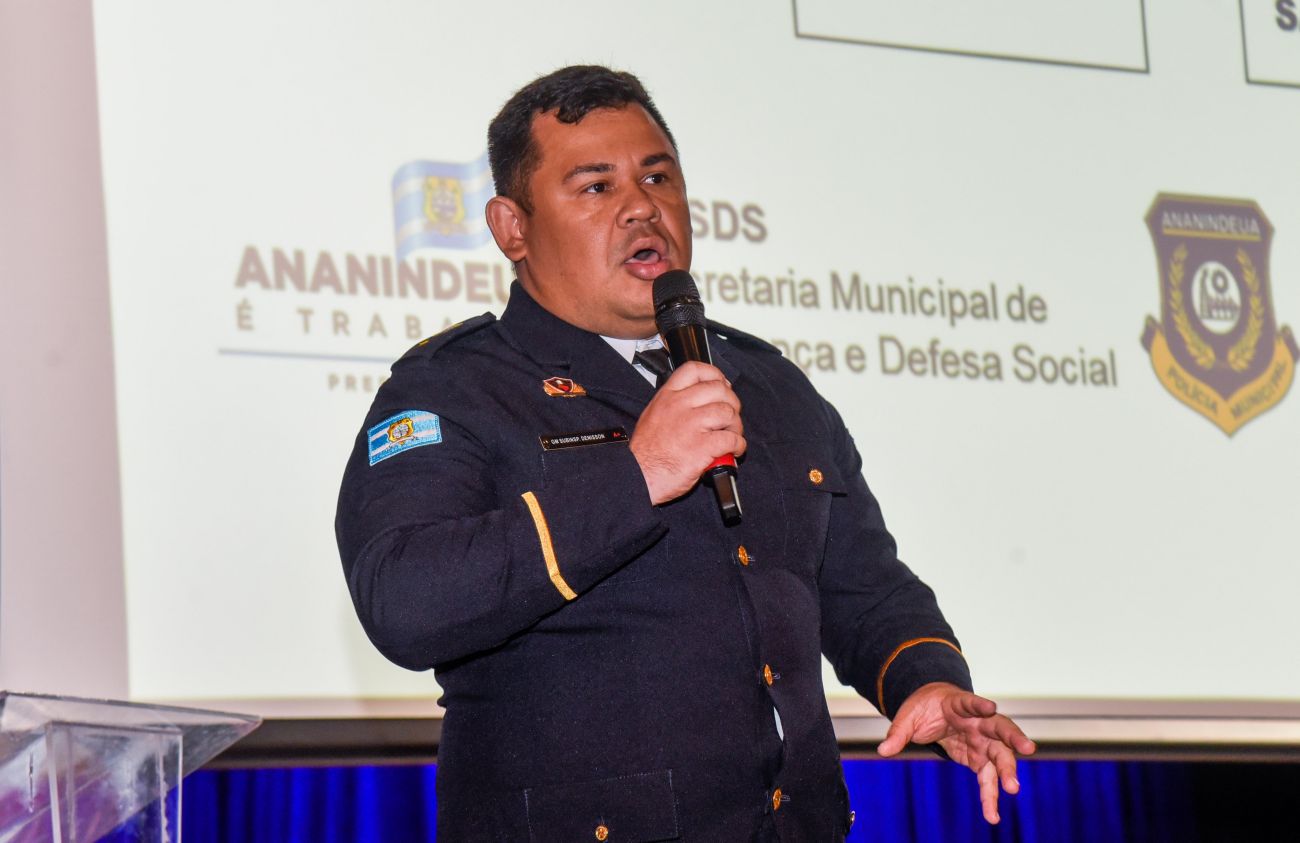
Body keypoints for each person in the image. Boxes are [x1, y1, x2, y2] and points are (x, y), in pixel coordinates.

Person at [336, 65, 1035, 841]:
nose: (642, 206)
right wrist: (635, 477)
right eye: (597, 186)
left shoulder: (765, 382)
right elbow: (403, 600)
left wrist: (925, 679)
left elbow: (864, 586)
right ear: (513, 228)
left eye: (658, 177)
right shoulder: (456, 387)